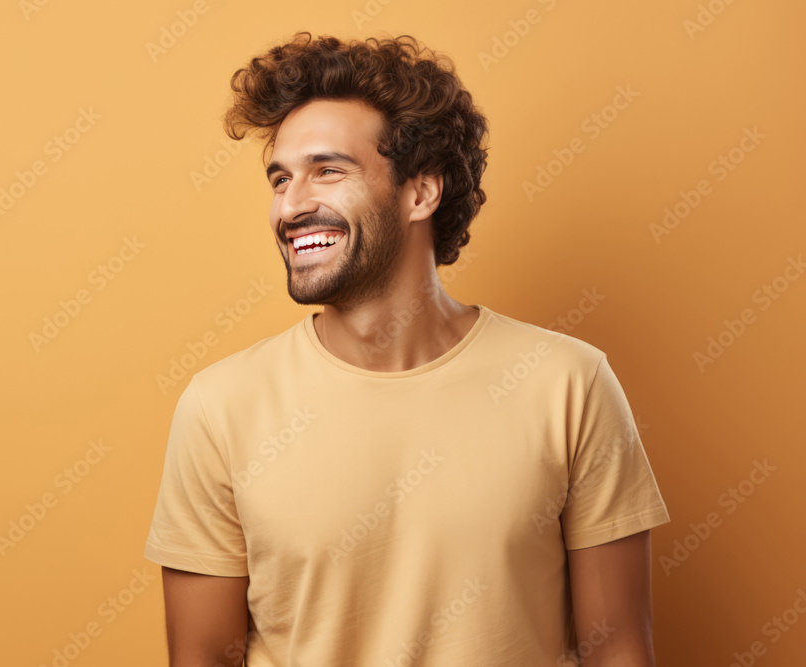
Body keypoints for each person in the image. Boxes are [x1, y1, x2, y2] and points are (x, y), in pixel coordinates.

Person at [145, 31, 670, 666]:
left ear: (421, 192)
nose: (291, 205)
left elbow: (617, 650)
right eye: (280, 179)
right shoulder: (220, 407)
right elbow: (202, 658)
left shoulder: (568, 384)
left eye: (328, 171)